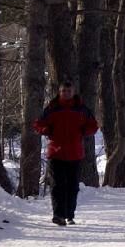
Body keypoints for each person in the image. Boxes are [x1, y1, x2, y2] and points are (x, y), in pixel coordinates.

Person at [33, 81, 99, 226]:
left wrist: (84, 131)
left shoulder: (81, 109)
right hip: (56, 153)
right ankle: (58, 215)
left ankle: (69, 214)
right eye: (63, 91)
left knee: (72, 186)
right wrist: (47, 130)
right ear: (59, 92)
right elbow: (38, 124)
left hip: (75, 153)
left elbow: (94, 126)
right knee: (57, 185)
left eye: (68, 91)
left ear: (73, 92)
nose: (66, 93)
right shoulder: (52, 108)